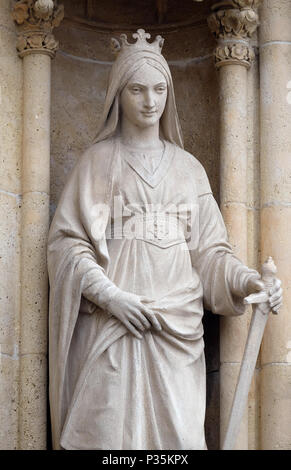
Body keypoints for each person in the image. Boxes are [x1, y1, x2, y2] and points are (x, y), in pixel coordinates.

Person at [47, 29, 282, 450]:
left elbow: (210, 254)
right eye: (137, 90)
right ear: (119, 94)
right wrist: (111, 297)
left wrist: (248, 281)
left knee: (177, 444)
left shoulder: (189, 170)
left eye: (159, 89)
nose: (150, 101)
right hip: (114, 325)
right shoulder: (98, 163)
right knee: (105, 440)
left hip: (177, 329)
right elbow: (67, 245)